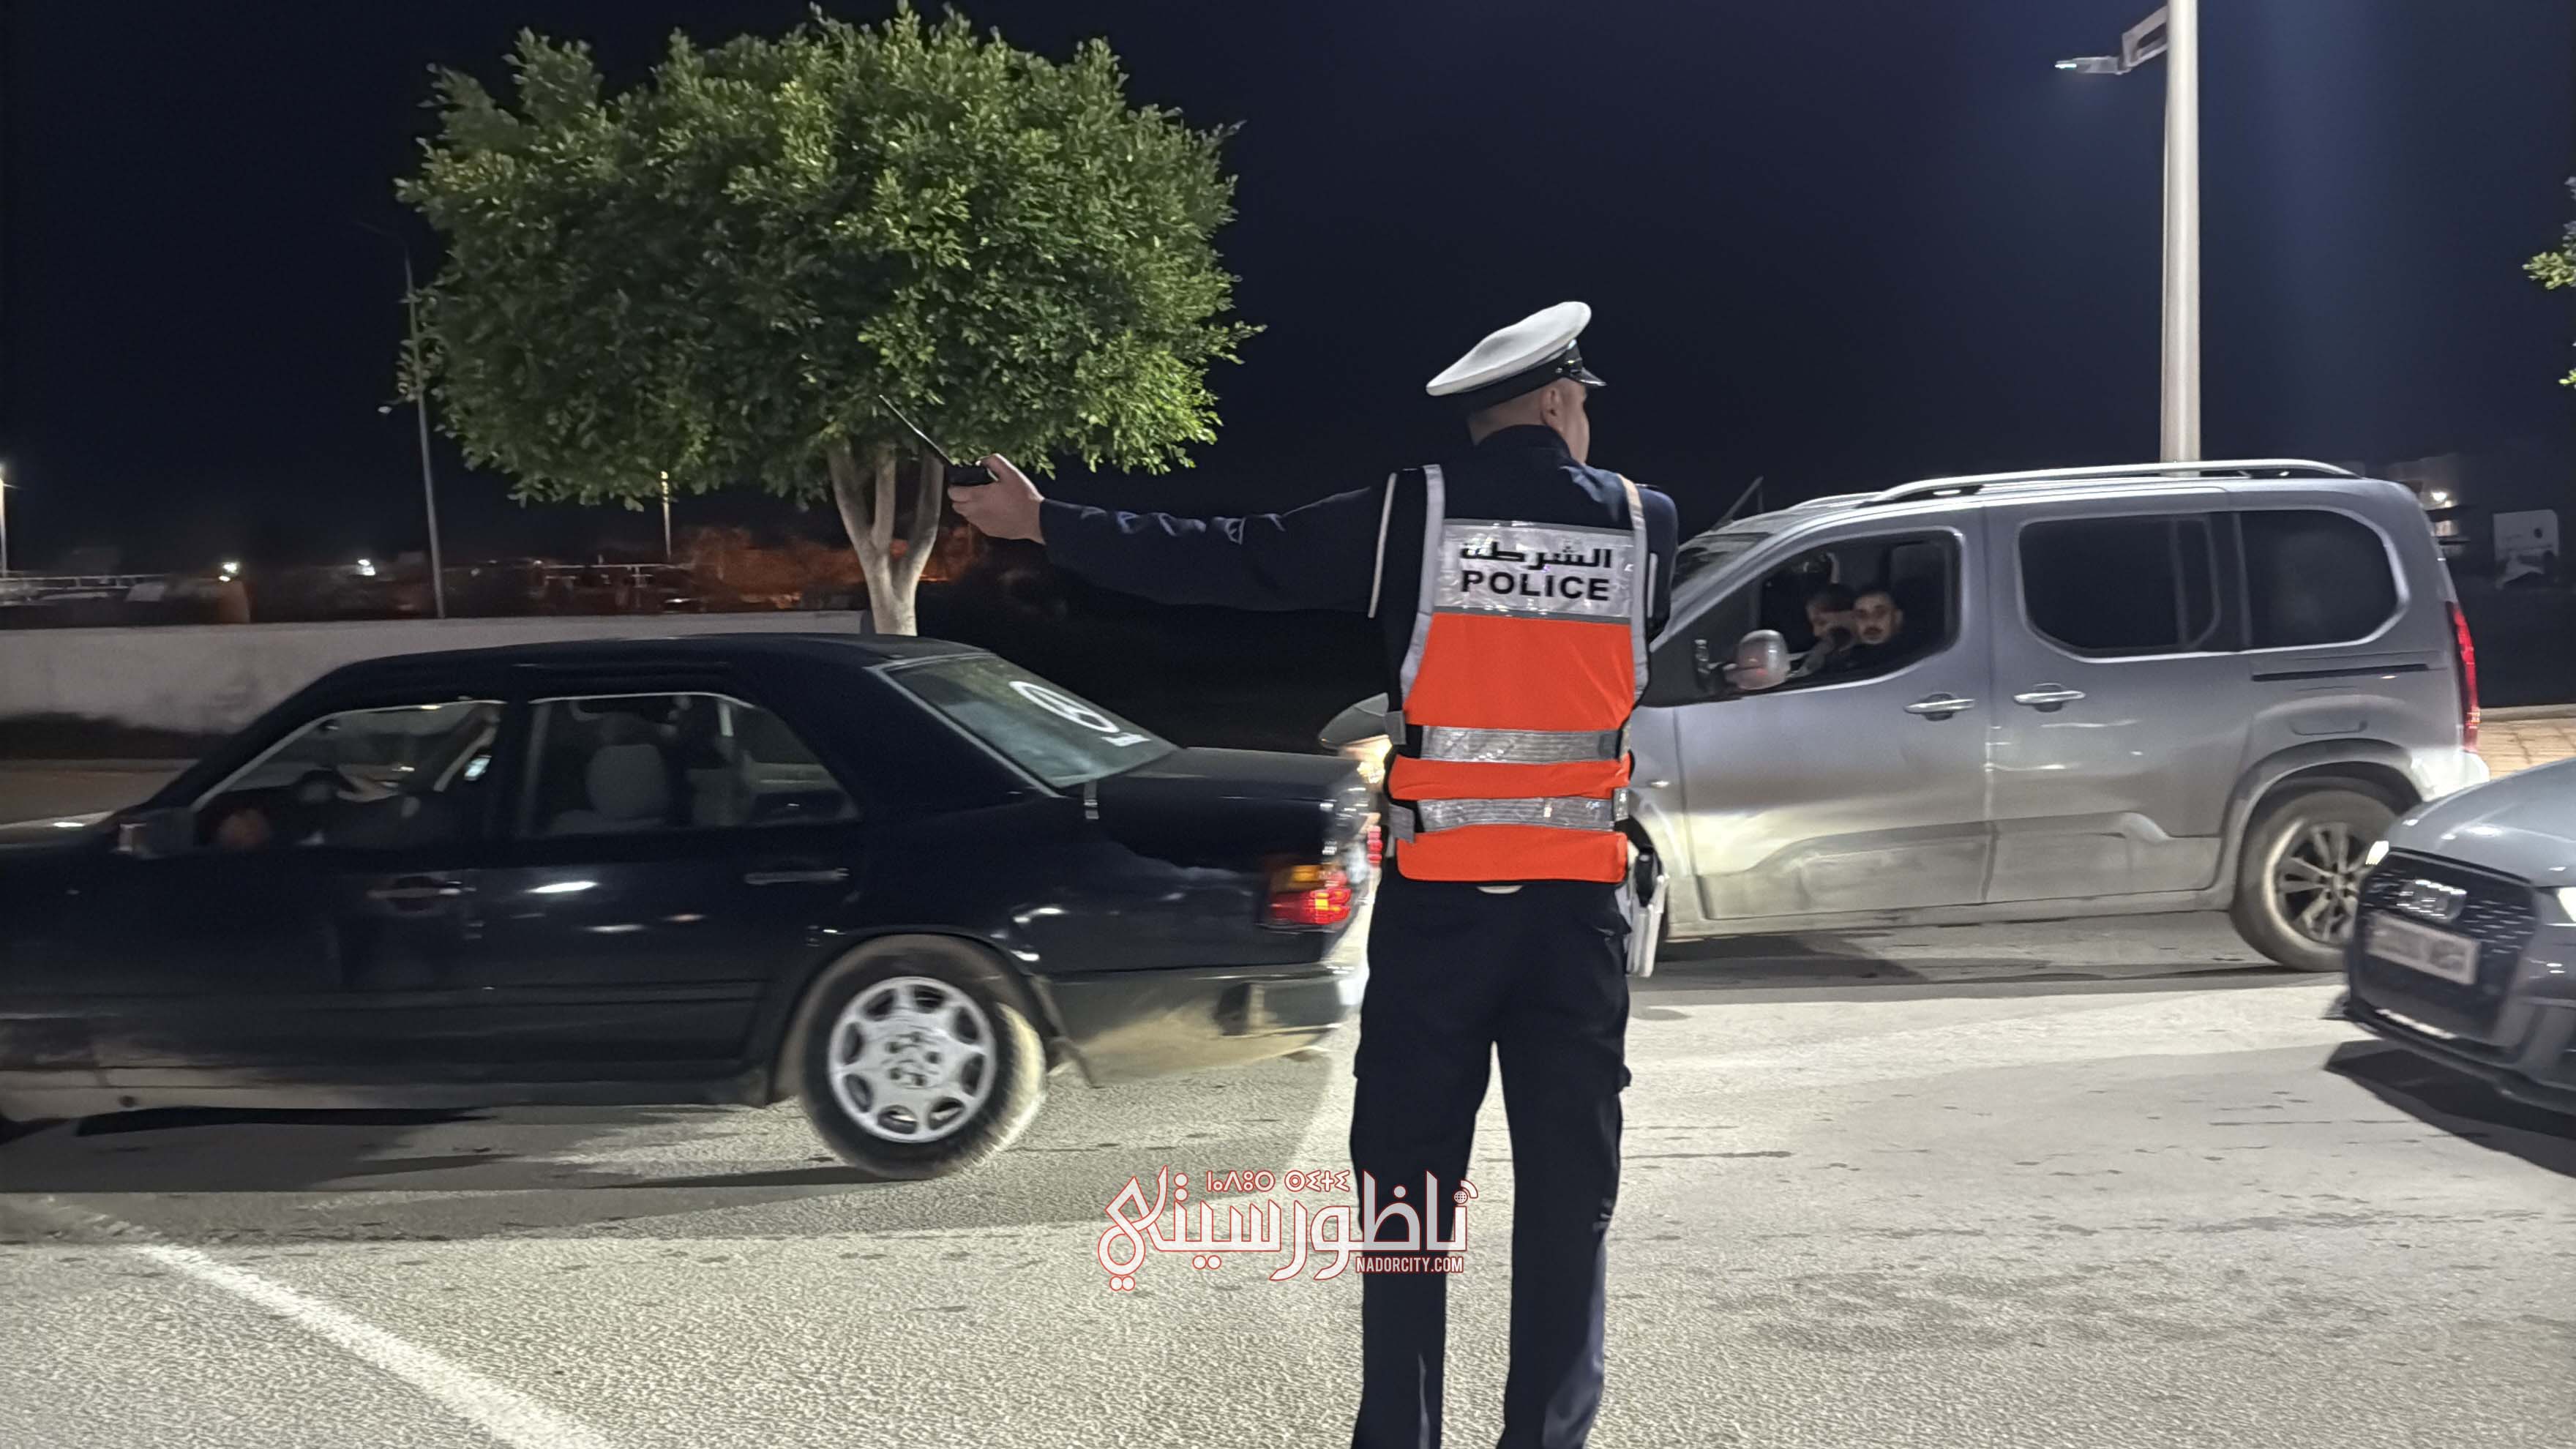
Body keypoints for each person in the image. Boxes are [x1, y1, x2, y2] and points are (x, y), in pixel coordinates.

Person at [953, 301, 1677, 1449]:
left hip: (1443, 918)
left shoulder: (1412, 513)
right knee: (1568, 1192)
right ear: (1555, 399)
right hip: (1576, 918)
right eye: (1581, 402)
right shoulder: (1646, 522)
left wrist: (1046, 522)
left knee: (1408, 1194)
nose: (1585, 418)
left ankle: (1399, 1433)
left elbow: (1233, 558)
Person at [1789, 583, 1857, 679]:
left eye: (1822, 623)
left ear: (1849, 616)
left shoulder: (1871, 665)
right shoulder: (1823, 652)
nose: (1816, 633)